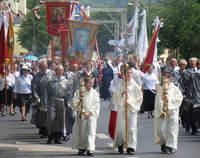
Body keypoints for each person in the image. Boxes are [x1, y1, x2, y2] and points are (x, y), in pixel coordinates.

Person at [112, 66, 143, 155]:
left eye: (130, 73)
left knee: (132, 129)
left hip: (131, 109)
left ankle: (130, 147)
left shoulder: (135, 86)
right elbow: (115, 98)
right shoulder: (120, 85)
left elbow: (139, 98)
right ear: (123, 74)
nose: (129, 75)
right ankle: (121, 144)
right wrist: (122, 94)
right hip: (122, 109)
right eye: (127, 73)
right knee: (121, 128)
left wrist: (130, 102)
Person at [154, 71, 183, 154]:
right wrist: (161, 109)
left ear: (170, 78)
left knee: (171, 129)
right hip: (162, 112)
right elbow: (158, 100)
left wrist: (169, 100)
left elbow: (179, 99)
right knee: (161, 129)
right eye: (163, 78)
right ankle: (163, 143)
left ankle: (169, 146)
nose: (164, 80)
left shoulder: (175, 89)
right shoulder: (160, 89)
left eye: (166, 78)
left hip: (172, 112)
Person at [72, 76, 100, 156]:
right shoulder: (79, 92)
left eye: (93, 82)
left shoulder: (94, 92)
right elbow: (73, 103)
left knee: (91, 131)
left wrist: (90, 112)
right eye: (90, 82)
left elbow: (96, 104)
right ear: (86, 83)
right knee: (83, 131)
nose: (92, 84)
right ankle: (82, 147)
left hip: (91, 115)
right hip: (82, 114)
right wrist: (79, 102)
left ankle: (90, 148)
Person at [45, 65, 72, 144]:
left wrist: (69, 103)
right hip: (52, 100)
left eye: (61, 70)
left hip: (62, 101)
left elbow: (69, 93)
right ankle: (50, 136)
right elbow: (47, 92)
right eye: (58, 70)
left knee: (60, 120)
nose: (60, 72)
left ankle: (58, 137)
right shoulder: (50, 81)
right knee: (51, 118)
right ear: (55, 71)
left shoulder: (65, 81)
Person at [31, 60, 48, 138]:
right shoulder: (36, 77)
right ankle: (42, 129)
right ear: (40, 67)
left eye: (45, 67)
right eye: (42, 67)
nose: (44, 69)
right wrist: (37, 98)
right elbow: (34, 88)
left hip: (49, 98)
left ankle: (48, 130)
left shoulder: (50, 75)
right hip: (41, 98)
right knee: (41, 115)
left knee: (49, 115)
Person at [108, 64, 124, 140]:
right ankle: (114, 136)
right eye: (122, 70)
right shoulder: (115, 80)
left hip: (126, 103)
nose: (123, 72)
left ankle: (124, 137)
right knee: (114, 121)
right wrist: (120, 93)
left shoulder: (131, 80)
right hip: (116, 103)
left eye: (125, 70)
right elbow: (112, 90)